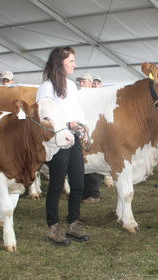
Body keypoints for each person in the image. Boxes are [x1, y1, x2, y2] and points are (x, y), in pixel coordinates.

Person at [36, 46, 90, 245]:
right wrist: (67, 125)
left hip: (74, 138)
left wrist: (83, 128)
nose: (75, 65)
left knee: (78, 185)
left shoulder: (71, 86)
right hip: (58, 141)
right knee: (57, 185)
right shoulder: (47, 86)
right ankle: (53, 228)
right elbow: (43, 116)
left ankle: (73, 224)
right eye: (71, 62)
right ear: (60, 62)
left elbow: (77, 110)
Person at [82, 73, 103, 204]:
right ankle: (85, 194)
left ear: (90, 83)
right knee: (83, 164)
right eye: (81, 82)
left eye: (84, 82)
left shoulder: (97, 97)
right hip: (83, 132)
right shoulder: (80, 96)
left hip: (94, 132)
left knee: (93, 164)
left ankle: (94, 195)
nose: (81, 84)